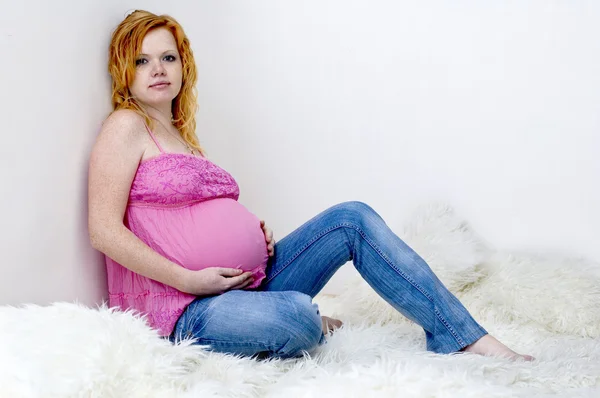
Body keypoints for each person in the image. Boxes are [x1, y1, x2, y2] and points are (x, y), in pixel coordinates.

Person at [88, 10, 533, 361]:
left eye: (168, 57)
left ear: (183, 65)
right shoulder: (126, 126)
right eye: (142, 60)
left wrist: (250, 235)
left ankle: (459, 335)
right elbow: (103, 231)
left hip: (248, 282)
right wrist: (189, 278)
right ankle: (304, 321)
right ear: (123, 70)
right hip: (187, 307)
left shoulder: (182, 135)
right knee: (299, 318)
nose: (157, 69)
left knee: (351, 217)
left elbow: (188, 216)